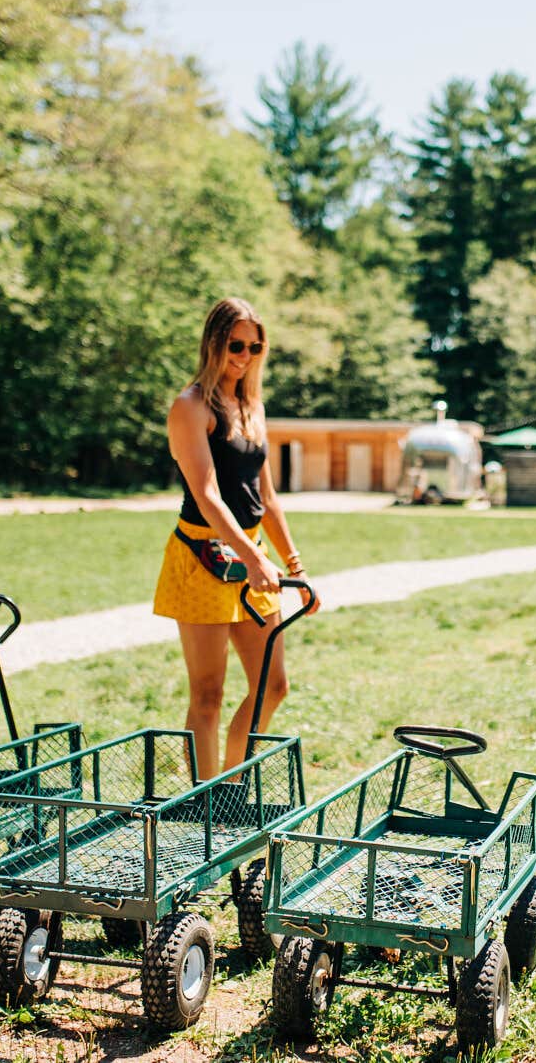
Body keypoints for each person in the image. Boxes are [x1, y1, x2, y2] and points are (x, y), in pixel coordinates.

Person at [153, 297, 316, 779]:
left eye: (254, 346)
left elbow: (266, 498)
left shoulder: (252, 406)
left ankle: (231, 780)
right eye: (235, 344)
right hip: (201, 556)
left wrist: (295, 567)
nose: (244, 355)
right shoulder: (190, 407)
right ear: (214, 342)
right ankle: (206, 801)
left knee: (273, 685)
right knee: (208, 694)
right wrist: (252, 559)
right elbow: (206, 495)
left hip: (251, 556)